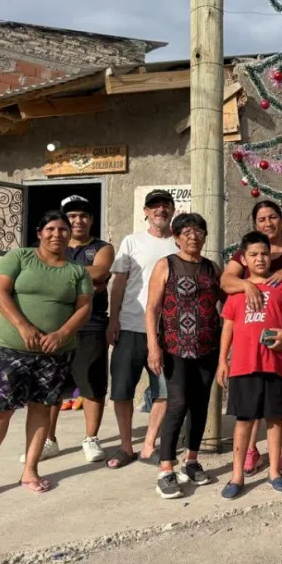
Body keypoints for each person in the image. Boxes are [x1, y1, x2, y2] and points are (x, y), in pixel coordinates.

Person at [0, 211, 93, 506]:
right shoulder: (20, 257)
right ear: (40, 232)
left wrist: (61, 333)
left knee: (42, 409)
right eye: (51, 228)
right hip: (11, 349)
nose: (58, 234)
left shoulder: (77, 271)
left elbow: (84, 308)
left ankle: (30, 471)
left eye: (64, 230)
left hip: (55, 352)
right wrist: (23, 326)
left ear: (71, 236)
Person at [220, 200, 282, 477]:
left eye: (272, 217)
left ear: (281, 220)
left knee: (278, 400)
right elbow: (226, 282)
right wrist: (246, 284)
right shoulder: (248, 250)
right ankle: (251, 451)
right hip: (248, 347)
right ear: (255, 224)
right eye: (261, 219)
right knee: (250, 406)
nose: (267, 223)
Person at [145, 213, 223, 499]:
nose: (193, 236)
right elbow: (152, 308)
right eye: (187, 232)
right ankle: (166, 469)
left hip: (207, 348)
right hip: (175, 348)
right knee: (177, 404)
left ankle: (191, 461)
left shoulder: (212, 268)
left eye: (199, 231)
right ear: (176, 237)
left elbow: (227, 303)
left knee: (201, 404)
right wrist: (153, 346)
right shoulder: (166, 265)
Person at [36, 195, 115, 464]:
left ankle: (91, 438)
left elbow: (101, 272)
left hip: (91, 324)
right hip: (54, 325)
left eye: (83, 215)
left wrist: (59, 271)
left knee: (92, 383)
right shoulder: (54, 247)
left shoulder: (102, 247)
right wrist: (85, 275)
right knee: (52, 385)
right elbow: (41, 275)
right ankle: (49, 439)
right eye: (71, 216)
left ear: (91, 220)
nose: (77, 220)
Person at [105, 190, 177, 469]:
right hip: (130, 328)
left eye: (165, 205)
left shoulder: (179, 243)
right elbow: (119, 284)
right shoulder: (132, 241)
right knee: (122, 391)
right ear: (146, 211)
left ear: (173, 210)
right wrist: (113, 321)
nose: (160, 209)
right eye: (155, 206)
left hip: (166, 332)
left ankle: (149, 446)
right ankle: (126, 446)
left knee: (164, 391)